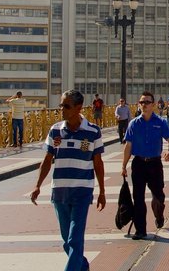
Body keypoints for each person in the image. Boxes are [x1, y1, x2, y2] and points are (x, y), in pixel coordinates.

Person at [30, 89, 105, 271]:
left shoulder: (93, 131)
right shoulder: (55, 130)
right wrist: (38, 185)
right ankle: (83, 265)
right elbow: (47, 160)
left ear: (78, 108)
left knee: (75, 238)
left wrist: (102, 191)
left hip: (82, 191)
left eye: (66, 106)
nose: (61, 109)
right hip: (60, 192)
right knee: (67, 239)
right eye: (61, 105)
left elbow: (98, 163)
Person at [121, 91, 169, 240]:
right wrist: (123, 166)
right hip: (138, 164)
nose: (144, 105)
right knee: (138, 198)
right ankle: (141, 230)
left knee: (159, 196)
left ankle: (159, 215)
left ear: (153, 105)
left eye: (147, 102)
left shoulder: (161, 122)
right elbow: (128, 146)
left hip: (154, 164)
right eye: (141, 102)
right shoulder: (134, 123)